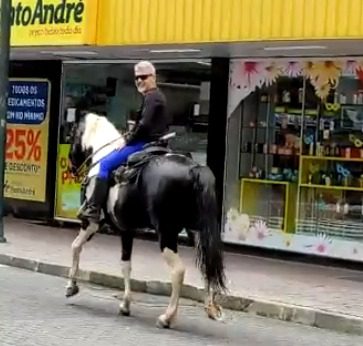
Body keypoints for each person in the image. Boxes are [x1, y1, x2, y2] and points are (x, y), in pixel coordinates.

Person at [78, 61, 170, 224]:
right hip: (154, 141)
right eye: (136, 78)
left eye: (143, 77)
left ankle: (93, 209)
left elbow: (144, 125)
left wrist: (127, 140)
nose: (139, 81)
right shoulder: (157, 96)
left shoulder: (152, 97)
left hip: (143, 144)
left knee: (105, 164)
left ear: (153, 77)